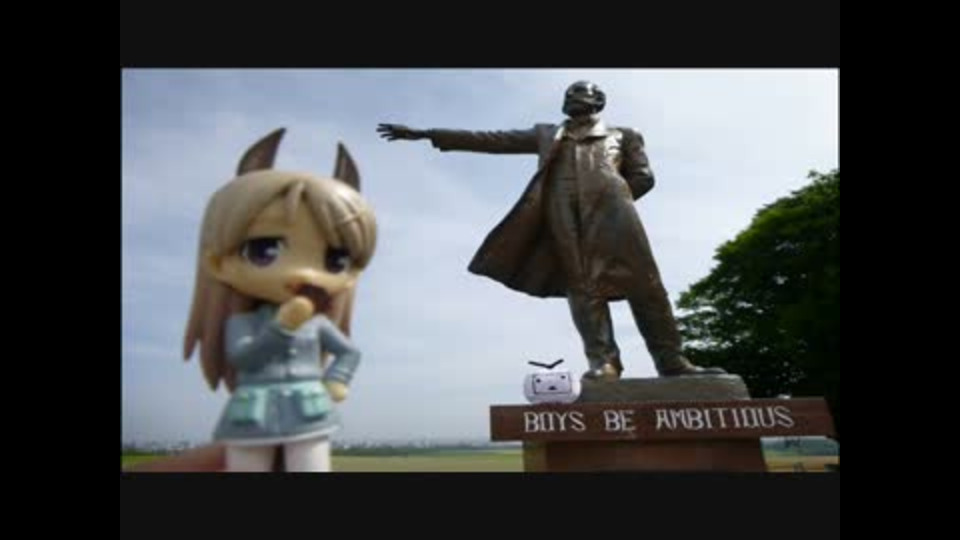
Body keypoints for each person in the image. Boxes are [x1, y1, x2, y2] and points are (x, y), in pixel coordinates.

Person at [377, 80, 723, 381]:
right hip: (562, 216)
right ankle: (604, 362)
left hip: (614, 213)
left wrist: (612, 198)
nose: (572, 96)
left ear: (599, 101)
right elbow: (493, 139)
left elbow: (643, 177)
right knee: (582, 285)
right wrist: (429, 134)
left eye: (580, 91)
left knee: (645, 283)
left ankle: (672, 361)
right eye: (568, 93)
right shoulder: (547, 133)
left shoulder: (624, 135)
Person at [180, 128, 378, 471]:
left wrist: (337, 379)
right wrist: (283, 326)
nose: (305, 274)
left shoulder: (317, 324)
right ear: (217, 263)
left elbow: (349, 352)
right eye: (264, 250)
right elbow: (243, 357)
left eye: (335, 260)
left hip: (310, 411)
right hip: (251, 412)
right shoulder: (244, 322)